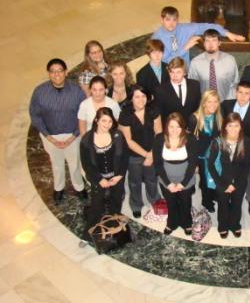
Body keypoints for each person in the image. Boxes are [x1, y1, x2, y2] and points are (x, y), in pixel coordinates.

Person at [29, 58, 86, 205]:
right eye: (53, 72)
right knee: (56, 163)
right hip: (50, 135)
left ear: (66, 72)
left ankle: (79, 187)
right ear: (49, 74)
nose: (56, 74)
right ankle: (58, 188)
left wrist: (74, 136)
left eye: (59, 71)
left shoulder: (76, 91)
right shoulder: (40, 92)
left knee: (75, 163)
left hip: (72, 135)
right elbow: (35, 115)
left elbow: (82, 115)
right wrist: (48, 136)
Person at [80, 107, 129, 243]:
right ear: (96, 120)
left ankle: (114, 226)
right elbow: (86, 164)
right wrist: (99, 179)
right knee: (97, 205)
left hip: (116, 177)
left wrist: (119, 175)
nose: (107, 124)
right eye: (103, 121)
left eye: (110, 121)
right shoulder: (87, 139)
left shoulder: (118, 135)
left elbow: (125, 156)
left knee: (116, 202)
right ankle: (87, 235)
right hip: (98, 178)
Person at [221, 81, 250, 216]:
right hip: (228, 148)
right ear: (236, 92)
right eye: (240, 92)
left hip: (248, 151)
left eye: (246, 93)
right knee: (228, 173)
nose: (242, 96)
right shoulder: (226, 105)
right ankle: (229, 196)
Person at [118, 86, 163, 218]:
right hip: (134, 155)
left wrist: (152, 153)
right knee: (134, 181)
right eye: (137, 96)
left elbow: (159, 134)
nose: (140, 99)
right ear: (131, 98)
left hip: (152, 150)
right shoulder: (125, 115)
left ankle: (155, 200)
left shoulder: (153, 110)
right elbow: (128, 141)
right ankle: (136, 204)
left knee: (152, 178)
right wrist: (146, 155)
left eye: (143, 96)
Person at [153, 112, 198, 236]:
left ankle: (186, 223)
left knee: (185, 202)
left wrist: (183, 184)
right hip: (165, 177)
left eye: (178, 127)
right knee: (171, 202)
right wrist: (168, 184)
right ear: (166, 126)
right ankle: (172, 222)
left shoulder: (191, 139)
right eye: (171, 126)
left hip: (186, 177)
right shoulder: (159, 139)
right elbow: (157, 163)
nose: (174, 130)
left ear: (183, 127)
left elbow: (192, 164)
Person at [208, 113, 250, 238]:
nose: (233, 129)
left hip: (240, 180)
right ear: (225, 127)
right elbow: (211, 165)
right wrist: (223, 184)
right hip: (222, 180)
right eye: (230, 126)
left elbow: (247, 165)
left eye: (236, 126)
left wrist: (236, 184)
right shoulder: (218, 142)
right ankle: (223, 226)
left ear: (241, 127)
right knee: (223, 204)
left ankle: (235, 225)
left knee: (237, 204)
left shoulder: (246, 142)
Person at [151, 6, 244, 64]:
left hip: (185, 71)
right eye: (168, 19)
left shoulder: (183, 29)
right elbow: (166, 60)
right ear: (161, 19)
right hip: (168, 74)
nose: (171, 23)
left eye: (174, 20)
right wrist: (186, 47)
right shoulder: (157, 38)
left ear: (177, 20)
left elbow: (206, 26)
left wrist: (228, 33)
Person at [188, 89, 223, 213]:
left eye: (215, 102)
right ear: (204, 103)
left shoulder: (219, 117)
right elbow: (190, 143)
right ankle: (206, 201)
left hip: (215, 155)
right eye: (209, 102)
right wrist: (194, 164)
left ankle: (213, 195)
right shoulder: (194, 118)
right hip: (201, 157)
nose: (213, 105)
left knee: (216, 176)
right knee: (204, 180)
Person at [188, 29, 239, 100]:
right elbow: (192, 87)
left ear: (219, 43)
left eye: (214, 40)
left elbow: (235, 83)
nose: (210, 44)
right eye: (207, 40)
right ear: (204, 44)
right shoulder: (195, 62)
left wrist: (230, 104)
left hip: (225, 103)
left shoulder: (230, 60)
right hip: (204, 104)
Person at [154, 57, 201, 124]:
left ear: (184, 72)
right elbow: (160, 115)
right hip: (172, 130)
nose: (174, 76)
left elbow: (198, 108)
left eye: (178, 72)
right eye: (172, 72)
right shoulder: (160, 90)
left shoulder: (195, 85)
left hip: (192, 128)